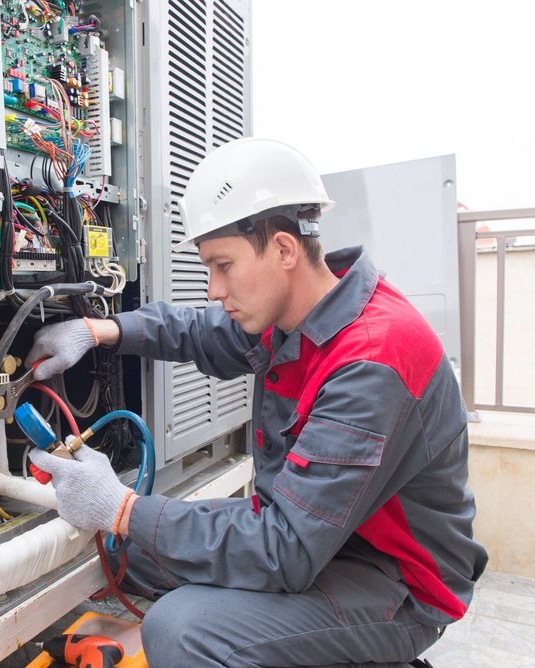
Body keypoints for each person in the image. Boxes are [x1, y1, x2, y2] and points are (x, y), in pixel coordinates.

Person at [26, 137, 488, 667]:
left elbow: (283, 549)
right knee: (132, 554)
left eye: (222, 265)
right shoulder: (296, 314)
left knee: (180, 630)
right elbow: (199, 332)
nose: (213, 289)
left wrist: (122, 506)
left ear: (285, 250)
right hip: (316, 539)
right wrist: (97, 328)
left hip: (393, 579)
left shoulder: (372, 359)